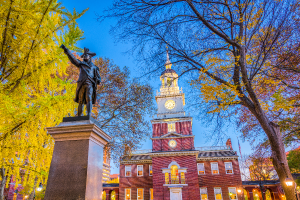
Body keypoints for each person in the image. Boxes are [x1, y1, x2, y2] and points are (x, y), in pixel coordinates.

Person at [60, 44, 101, 116]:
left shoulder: (94, 67)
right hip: (81, 83)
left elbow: (98, 78)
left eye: (86, 55)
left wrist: (98, 80)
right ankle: (79, 115)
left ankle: (88, 114)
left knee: (89, 97)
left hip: (90, 84)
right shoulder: (81, 64)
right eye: (84, 55)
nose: (84, 56)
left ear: (90, 56)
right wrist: (66, 50)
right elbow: (73, 59)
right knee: (81, 100)